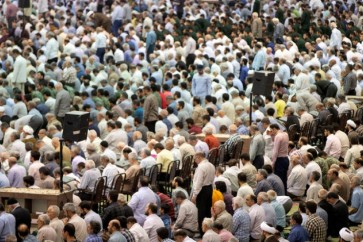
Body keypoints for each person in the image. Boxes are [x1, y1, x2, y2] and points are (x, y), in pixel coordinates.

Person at [191, 151, 215, 234]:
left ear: (199, 157)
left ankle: (202, 232)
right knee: (207, 210)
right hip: (209, 189)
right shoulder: (211, 165)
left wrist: (195, 195)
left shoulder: (201, 167)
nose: (195, 161)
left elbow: (199, 182)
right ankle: (208, 228)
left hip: (202, 190)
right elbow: (212, 179)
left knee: (201, 211)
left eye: (195, 159)